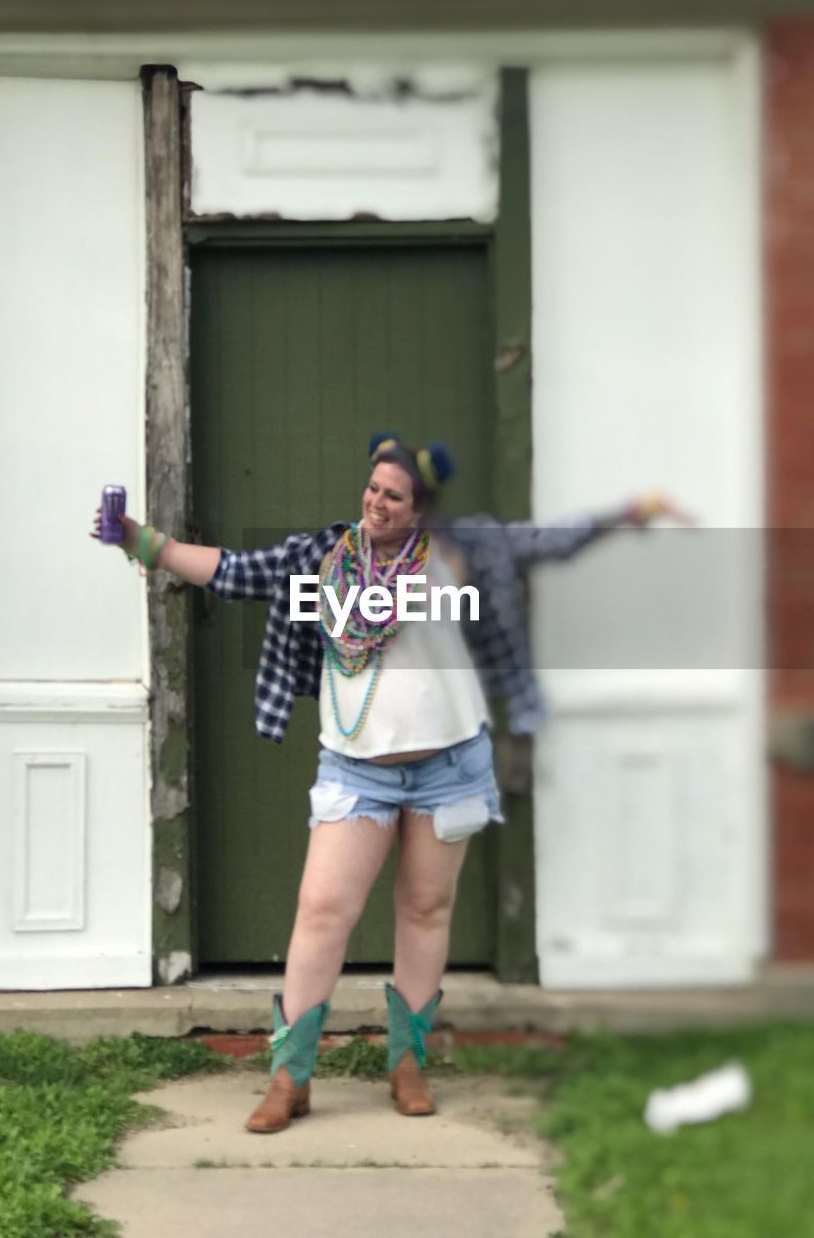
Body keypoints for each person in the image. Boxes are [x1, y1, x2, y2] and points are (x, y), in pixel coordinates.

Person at [93, 433, 690, 1133]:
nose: (377, 503)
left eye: (394, 496)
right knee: (321, 912)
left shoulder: (464, 556)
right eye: (373, 489)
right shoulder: (322, 558)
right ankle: (290, 1077)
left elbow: (550, 542)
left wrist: (630, 513)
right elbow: (232, 570)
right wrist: (142, 541)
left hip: (450, 769)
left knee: (425, 912)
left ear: (421, 507)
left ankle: (407, 1064)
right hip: (356, 772)